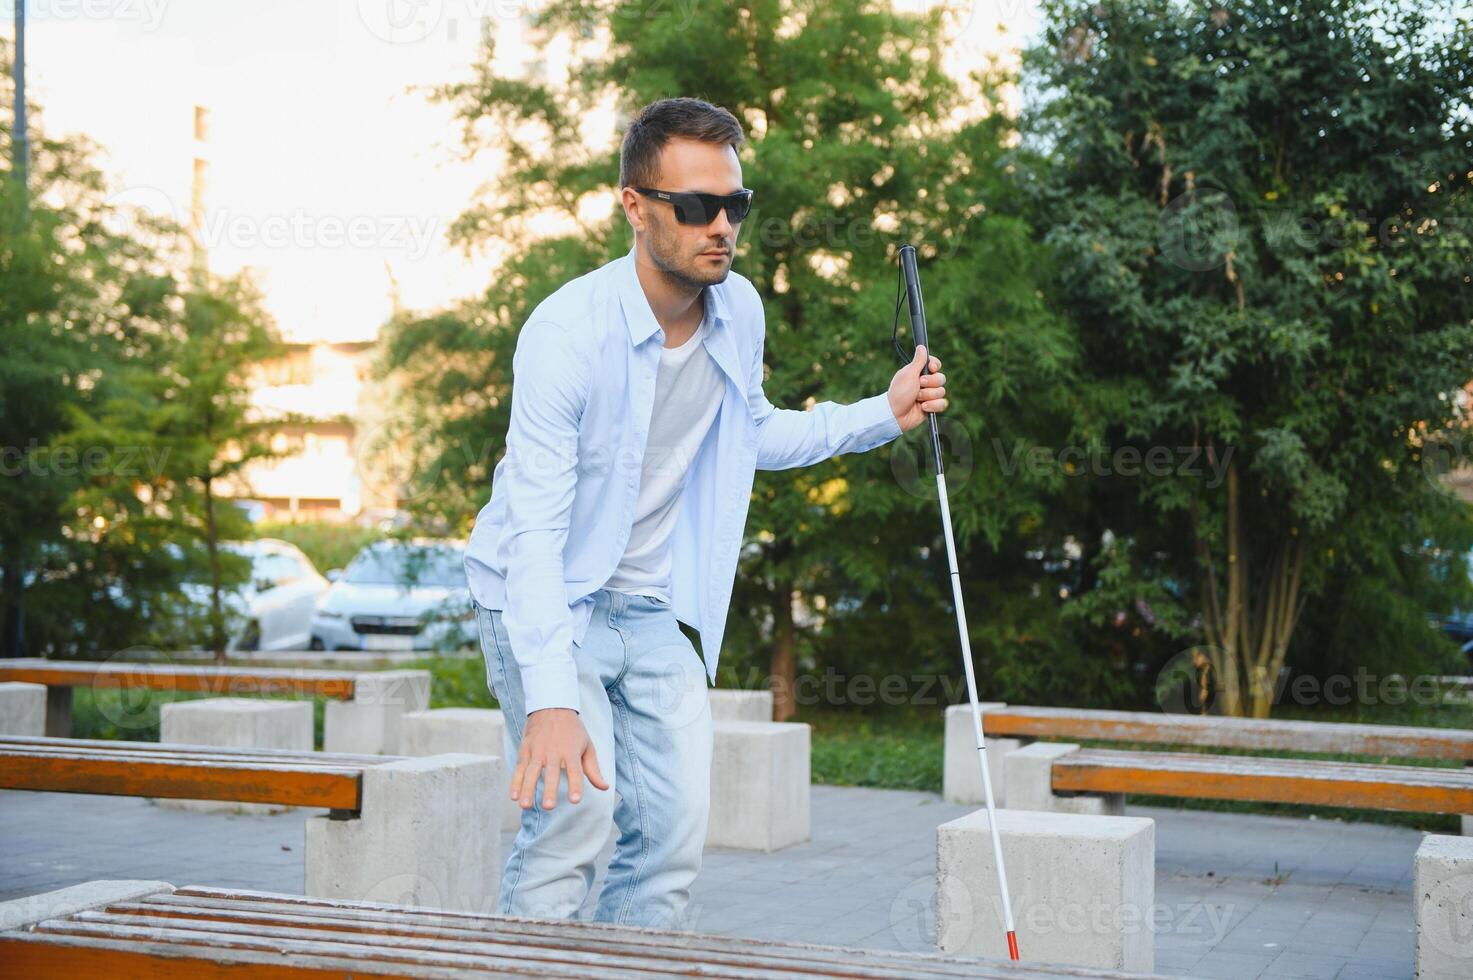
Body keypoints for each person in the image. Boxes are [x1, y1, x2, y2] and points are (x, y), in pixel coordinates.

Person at [462, 96, 949, 930]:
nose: (720, 225)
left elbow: (749, 431)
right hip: (542, 602)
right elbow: (535, 533)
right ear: (635, 206)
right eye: (695, 207)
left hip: (651, 607)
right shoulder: (567, 333)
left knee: (671, 842)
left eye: (735, 205)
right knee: (570, 822)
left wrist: (883, 411)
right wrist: (550, 702)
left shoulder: (739, 309)